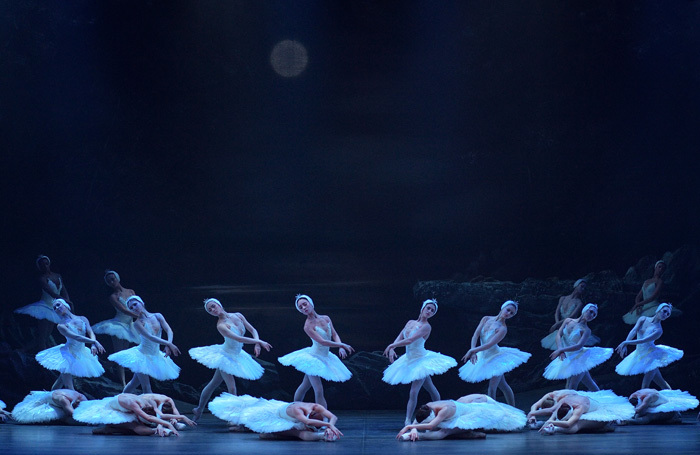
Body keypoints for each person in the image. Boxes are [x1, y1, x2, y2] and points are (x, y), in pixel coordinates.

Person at [189, 298, 273, 421]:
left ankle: (199, 409)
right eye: (209, 310)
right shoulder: (221, 325)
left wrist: (257, 343)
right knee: (232, 388)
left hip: (237, 354)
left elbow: (252, 330)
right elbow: (239, 339)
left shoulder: (238, 315)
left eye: (213, 306)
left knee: (213, 383)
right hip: (225, 356)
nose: (212, 310)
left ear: (219, 304)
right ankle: (232, 418)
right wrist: (259, 341)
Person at [382, 298, 457, 425]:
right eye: (428, 308)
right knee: (431, 388)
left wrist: (390, 346)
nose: (429, 311)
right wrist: (392, 347)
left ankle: (407, 421)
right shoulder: (410, 322)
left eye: (432, 311)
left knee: (414, 391)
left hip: (421, 360)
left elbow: (410, 340)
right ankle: (441, 411)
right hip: (409, 359)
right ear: (422, 308)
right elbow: (401, 336)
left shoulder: (426, 327)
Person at [278, 294, 354, 409]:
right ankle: (323, 418)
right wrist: (341, 344)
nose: (304, 308)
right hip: (312, 358)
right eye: (300, 307)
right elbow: (323, 342)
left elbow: (334, 334)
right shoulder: (307, 326)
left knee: (304, 386)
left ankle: (294, 409)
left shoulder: (326, 318)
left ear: (310, 303)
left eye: (305, 304)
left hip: (325, 356)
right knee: (318, 390)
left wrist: (341, 347)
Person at [458, 301, 531, 406]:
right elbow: (475, 335)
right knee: (503, 386)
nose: (508, 313)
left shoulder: (503, 328)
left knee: (492, 388)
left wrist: (473, 350)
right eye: (508, 310)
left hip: (496, 357)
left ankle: (494, 413)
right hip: (483, 356)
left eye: (512, 313)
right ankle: (513, 409)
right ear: (503, 308)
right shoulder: (486, 318)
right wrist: (473, 350)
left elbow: (489, 344)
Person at [108, 295, 180, 393]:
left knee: (134, 382)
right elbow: (150, 337)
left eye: (135, 304)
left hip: (154, 354)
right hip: (141, 356)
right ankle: (149, 407)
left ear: (141, 303)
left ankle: (121, 399)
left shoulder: (157, 316)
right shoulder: (137, 323)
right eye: (131, 308)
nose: (134, 308)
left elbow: (169, 330)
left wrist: (168, 344)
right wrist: (169, 344)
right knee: (146, 386)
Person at [35, 299, 105, 390]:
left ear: (65, 305)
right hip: (67, 354)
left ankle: (51, 395)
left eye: (58, 305)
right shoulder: (61, 326)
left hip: (81, 352)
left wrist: (93, 345)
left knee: (61, 379)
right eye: (55, 308)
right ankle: (70, 400)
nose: (57, 308)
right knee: (69, 386)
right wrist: (94, 342)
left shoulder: (83, 319)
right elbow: (76, 337)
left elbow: (90, 332)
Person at [209, 394, 343, 441]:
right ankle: (241, 426)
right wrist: (328, 425)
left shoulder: (316, 406)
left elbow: (333, 416)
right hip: (274, 415)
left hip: (286, 412)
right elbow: (307, 421)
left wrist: (331, 424)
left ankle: (321, 435)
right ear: (313, 414)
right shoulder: (298, 410)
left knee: (301, 432)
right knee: (260, 428)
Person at [396, 394, 526, 441]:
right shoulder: (429, 406)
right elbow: (421, 418)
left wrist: (409, 427)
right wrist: (414, 428)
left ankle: (418, 437)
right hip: (461, 410)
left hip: (471, 414)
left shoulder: (445, 409)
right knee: (435, 429)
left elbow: (430, 425)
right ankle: (468, 434)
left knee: (442, 432)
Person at [543, 303, 612, 391]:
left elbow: (578, 346)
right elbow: (558, 334)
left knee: (571, 386)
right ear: (584, 310)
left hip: (580, 358)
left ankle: (569, 404)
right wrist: (560, 350)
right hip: (569, 357)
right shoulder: (568, 321)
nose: (592, 315)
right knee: (589, 383)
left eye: (594, 315)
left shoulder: (586, 330)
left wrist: (561, 350)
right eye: (590, 312)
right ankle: (604, 401)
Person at [616, 303, 683, 389]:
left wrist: (626, 343)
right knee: (662, 383)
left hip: (651, 356)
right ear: (658, 310)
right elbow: (634, 330)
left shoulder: (659, 330)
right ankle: (673, 397)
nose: (665, 314)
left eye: (668, 314)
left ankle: (644, 401)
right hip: (640, 354)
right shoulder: (643, 319)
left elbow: (643, 340)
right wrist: (625, 343)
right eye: (664, 311)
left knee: (645, 386)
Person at [15, 255, 73, 351]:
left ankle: (22, 350)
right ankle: (42, 358)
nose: (45, 266)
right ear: (39, 267)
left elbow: (64, 291)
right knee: (42, 336)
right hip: (45, 306)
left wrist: (66, 302)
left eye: (46, 264)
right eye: (42, 265)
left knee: (46, 336)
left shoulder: (57, 276)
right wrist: (65, 301)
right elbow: (51, 293)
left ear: (49, 263)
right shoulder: (41, 278)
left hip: (55, 306)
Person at [92, 270, 139, 387]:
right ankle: (123, 384)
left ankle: (104, 366)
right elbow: (124, 310)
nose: (112, 282)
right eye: (109, 281)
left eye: (113, 279)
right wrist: (139, 316)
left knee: (123, 354)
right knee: (119, 354)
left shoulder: (131, 291)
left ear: (118, 278)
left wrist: (143, 315)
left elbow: (138, 305)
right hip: (118, 325)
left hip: (129, 325)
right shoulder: (113, 297)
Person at [73, 393, 194, 436]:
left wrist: (180, 417)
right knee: (134, 426)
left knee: (137, 425)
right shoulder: (134, 404)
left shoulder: (150, 402)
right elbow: (148, 417)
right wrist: (164, 425)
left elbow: (159, 415)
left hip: (128, 410)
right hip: (114, 410)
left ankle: (110, 429)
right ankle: (155, 432)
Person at [538, 391, 634, 435]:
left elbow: (568, 424)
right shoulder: (563, 402)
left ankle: (555, 429)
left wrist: (553, 424)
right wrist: (548, 422)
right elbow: (552, 416)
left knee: (575, 425)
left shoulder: (579, 408)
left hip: (596, 410)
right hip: (583, 403)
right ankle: (602, 428)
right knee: (575, 424)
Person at [623, 260, 666, 325]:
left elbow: (653, 297)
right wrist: (637, 305)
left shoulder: (660, 281)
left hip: (654, 305)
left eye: (663, 269)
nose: (660, 269)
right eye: (659, 267)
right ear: (655, 267)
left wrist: (638, 304)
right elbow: (638, 296)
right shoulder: (646, 281)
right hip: (644, 306)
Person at [626, 389, 698, 424]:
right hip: (653, 405)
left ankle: (674, 416)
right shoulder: (633, 396)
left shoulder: (649, 397)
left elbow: (640, 409)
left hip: (662, 406)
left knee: (648, 417)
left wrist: (626, 418)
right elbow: (636, 408)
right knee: (637, 415)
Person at [11, 389, 87, 423]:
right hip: (48, 399)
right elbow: (72, 413)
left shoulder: (81, 397)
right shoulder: (63, 400)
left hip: (57, 395)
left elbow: (89, 408)